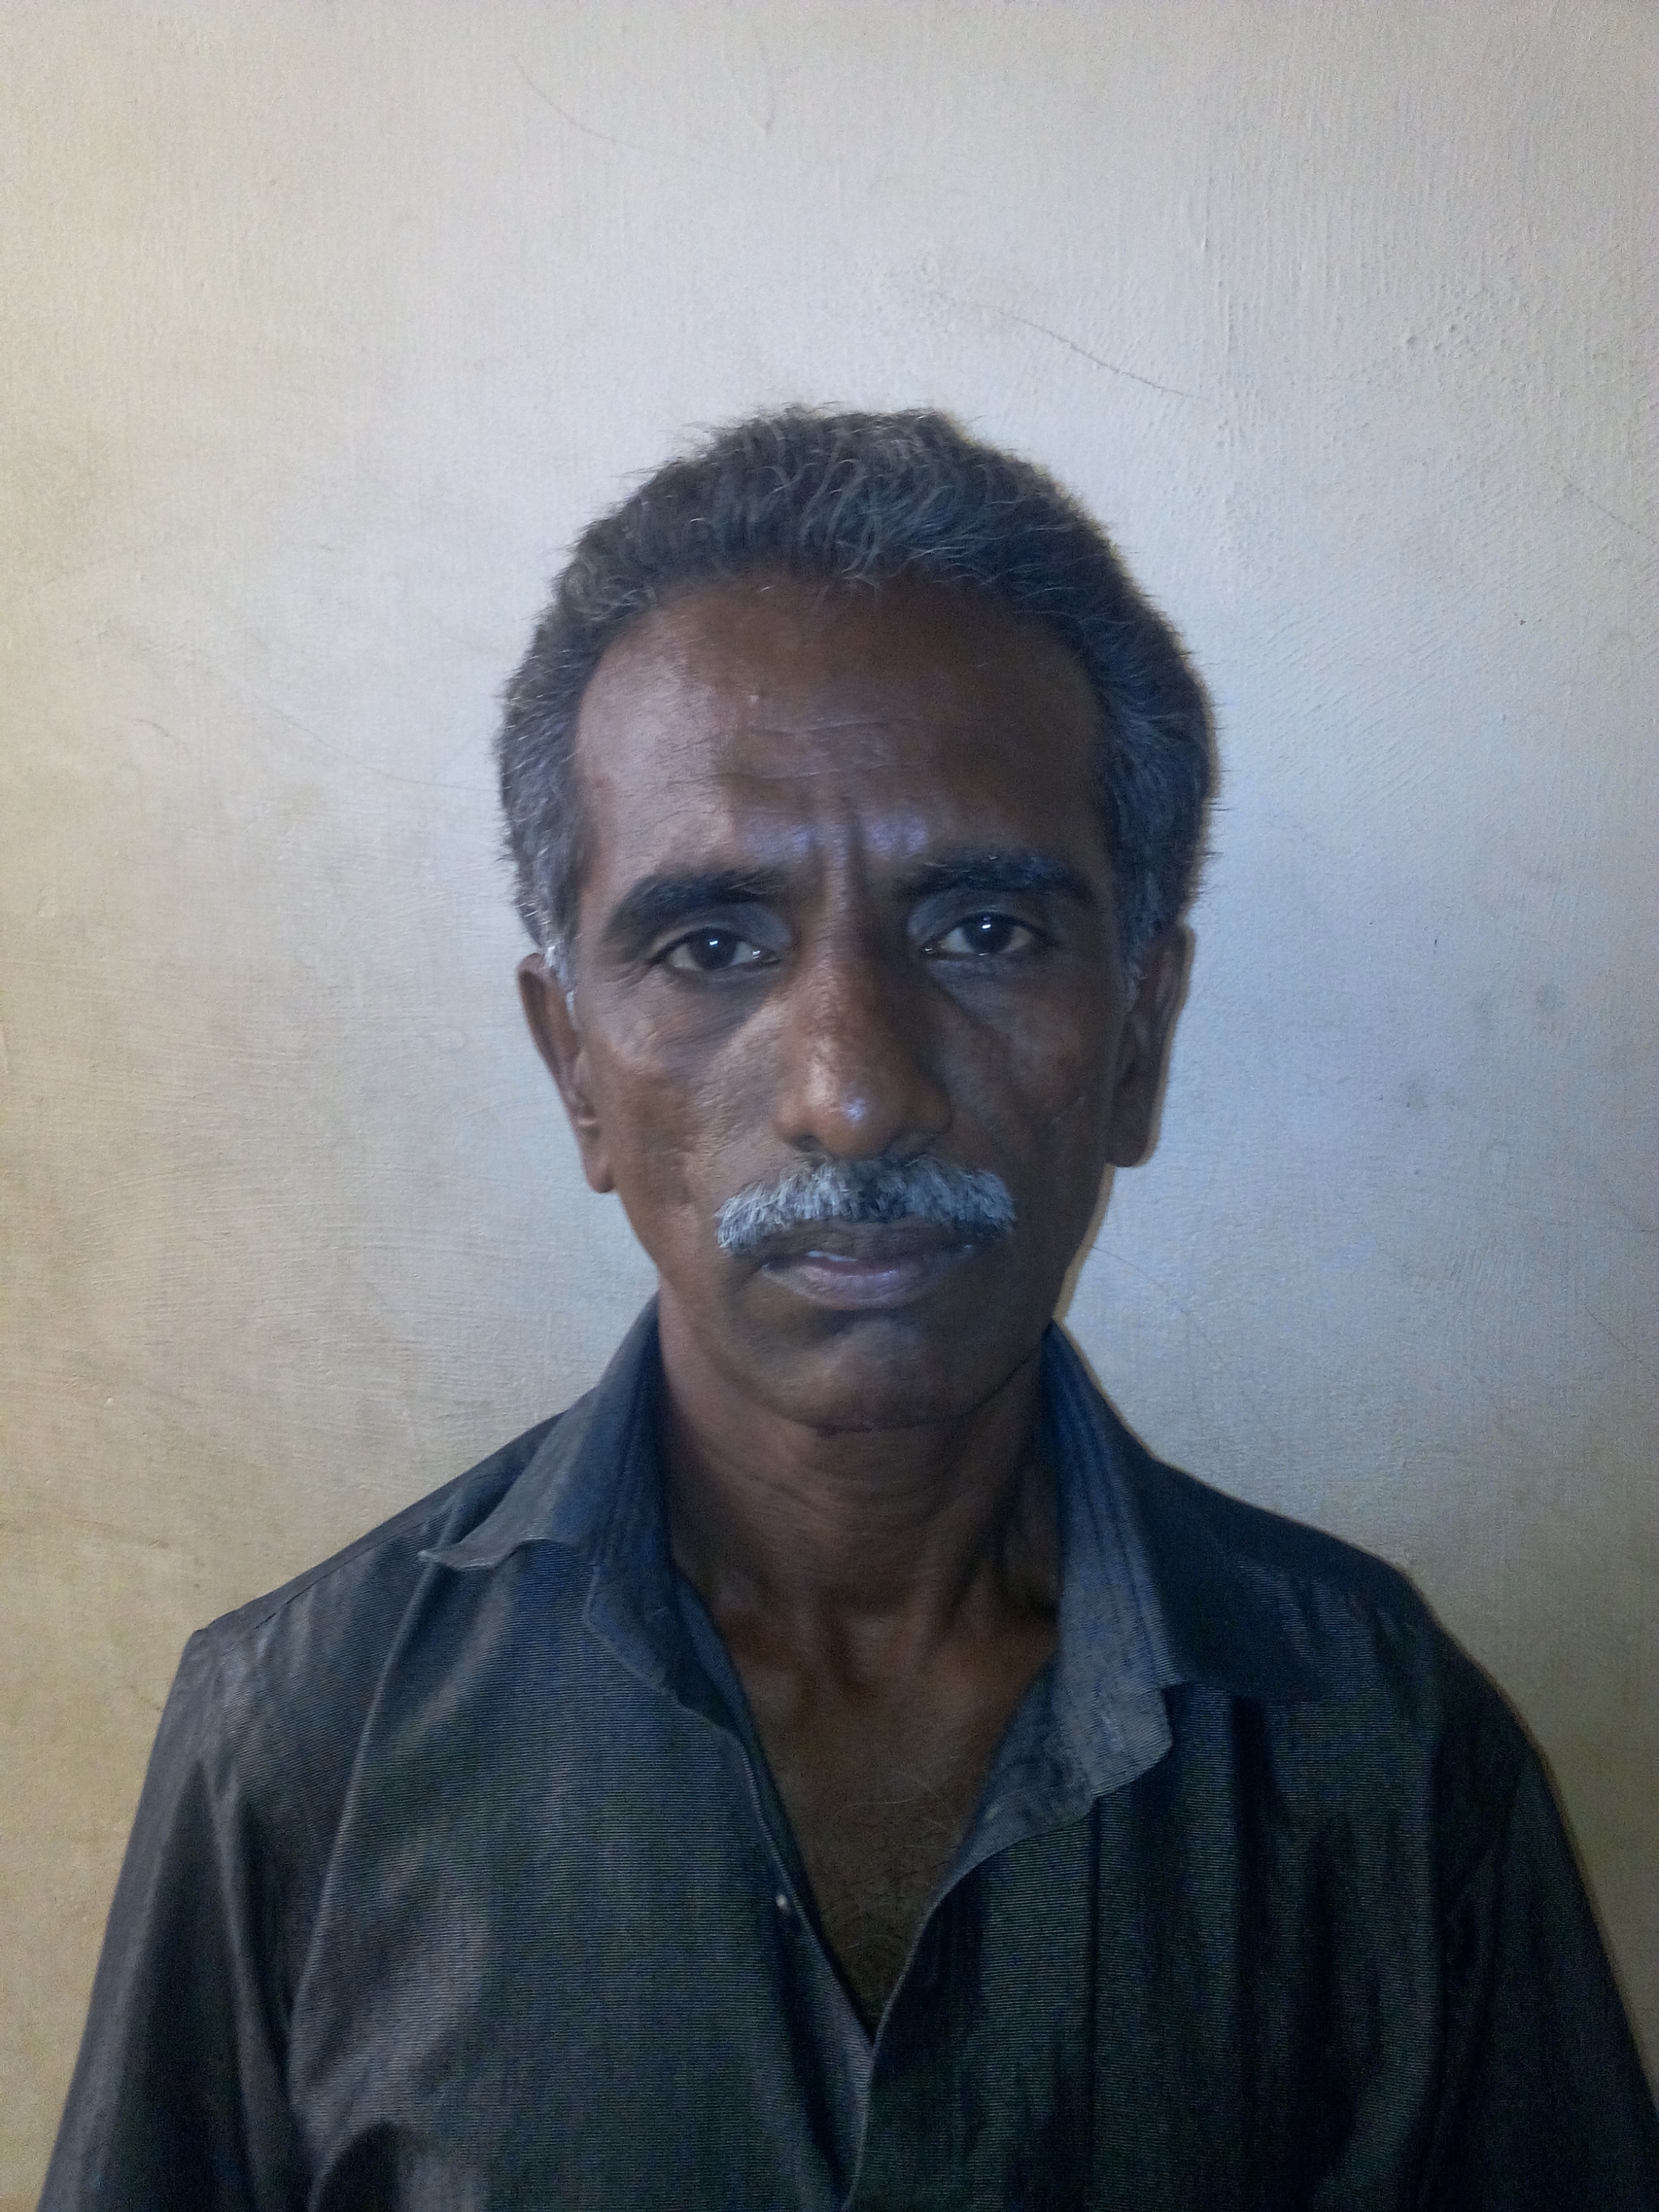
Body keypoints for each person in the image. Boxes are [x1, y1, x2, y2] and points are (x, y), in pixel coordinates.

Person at [43, 409, 1656, 2210]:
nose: (853, 1092)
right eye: (713, 944)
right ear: (575, 1068)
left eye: (983, 931)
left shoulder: (1381, 1747)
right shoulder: (297, 1746)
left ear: (1139, 1037)